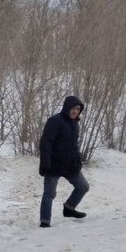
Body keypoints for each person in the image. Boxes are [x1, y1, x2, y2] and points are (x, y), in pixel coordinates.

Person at [38, 95, 89, 228]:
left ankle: (69, 208)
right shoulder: (55, 121)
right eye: (73, 108)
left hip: (70, 165)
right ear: (67, 108)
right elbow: (46, 143)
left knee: (83, 187)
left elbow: (74, 146)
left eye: (78, 109)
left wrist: (77, 160)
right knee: (49, 194)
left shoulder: (75, 124)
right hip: (53, 165)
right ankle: (45, 222)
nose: (75, 111)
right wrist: (45, 164)